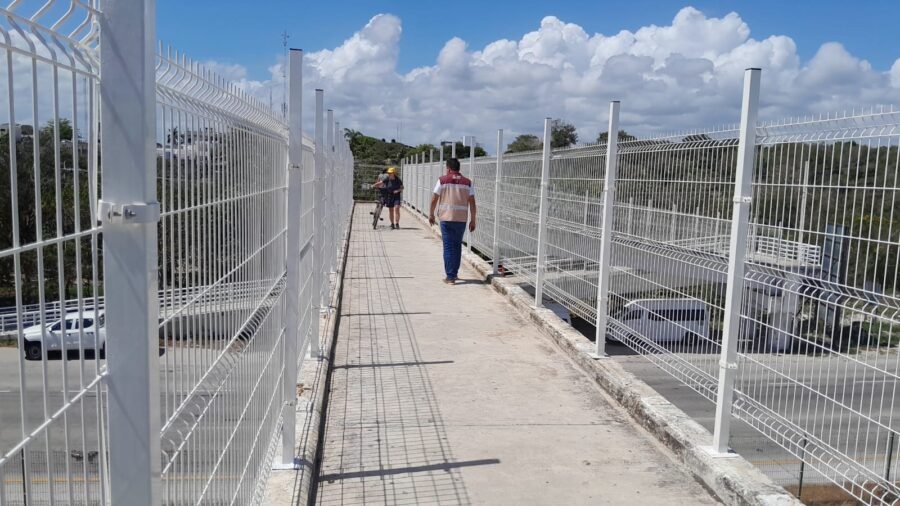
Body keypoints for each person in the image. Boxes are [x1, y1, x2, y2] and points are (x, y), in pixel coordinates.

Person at [429, 158, 476, 284]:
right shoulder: (467, 182)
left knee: (448, 247)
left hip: (446, 218)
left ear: (448, 168)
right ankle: (454, 273)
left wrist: (431, 214)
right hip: (461, 219)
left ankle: (450, 277)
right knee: (457, 246)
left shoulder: (442, 180)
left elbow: (434, 198)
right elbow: (472, 202)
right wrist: (473, 220)